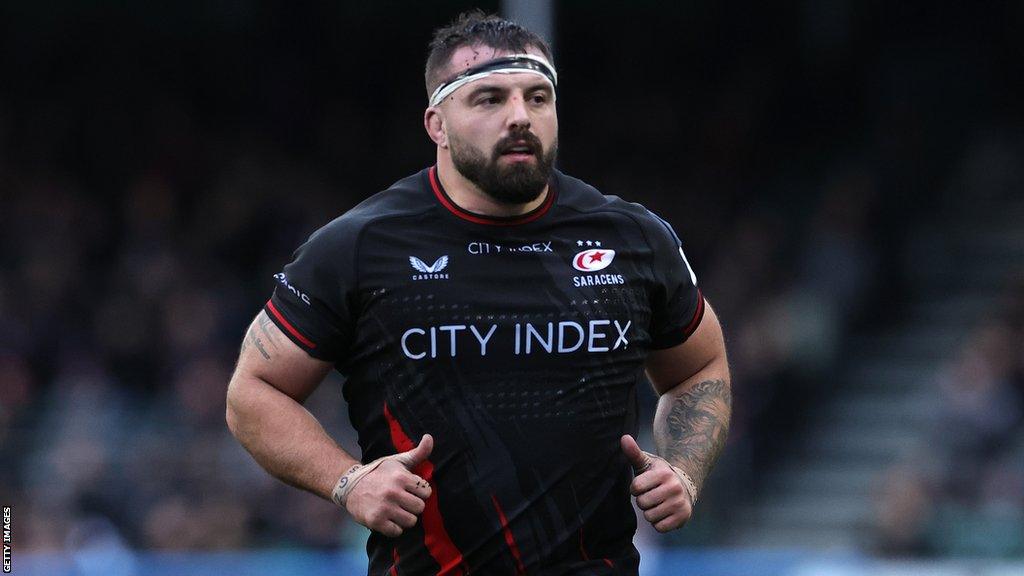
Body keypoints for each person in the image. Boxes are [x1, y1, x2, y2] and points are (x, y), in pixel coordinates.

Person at [226, 10, 731, 575]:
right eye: (489, 99)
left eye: (538, 97)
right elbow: (254, 392)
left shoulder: (633, 238)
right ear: (436, 123)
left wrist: (684, 469)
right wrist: (347, 482)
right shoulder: (358, 247)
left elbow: (699, 365)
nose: (520, 117)